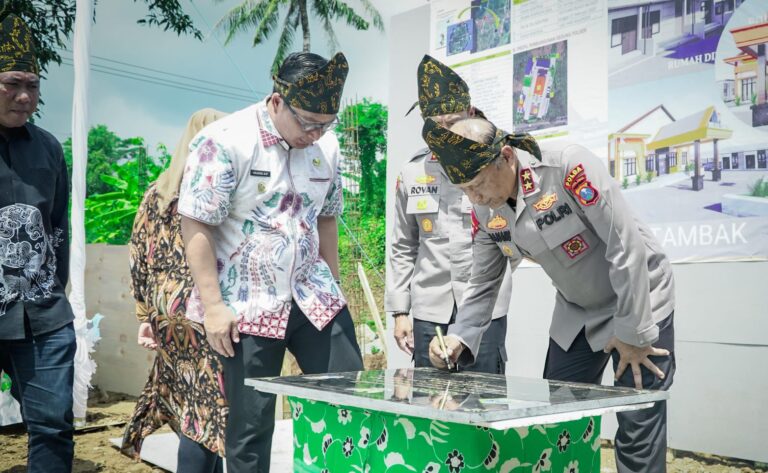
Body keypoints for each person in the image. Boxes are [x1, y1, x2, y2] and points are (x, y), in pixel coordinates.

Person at [422, 117, 676, 473]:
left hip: (639, 298)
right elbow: (482, 281)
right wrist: (457, 338)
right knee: (558, 418)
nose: (475, 197)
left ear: (507, 157)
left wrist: (633, 333)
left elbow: (626, 246)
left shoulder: (567, 167)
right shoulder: (485, 209)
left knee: (637, 423)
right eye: (464, 189)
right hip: (578, 311)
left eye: (477, 184)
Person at [178, 52, 364, 473]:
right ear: (277, 101)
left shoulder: (326, 146)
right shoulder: (224, 142)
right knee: (251, 427)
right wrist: (213, 307)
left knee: (351, 399)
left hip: (312, 296)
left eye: (326, 123)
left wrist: (333, 283)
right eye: (308, 122)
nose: (316, 133)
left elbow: (327, 218)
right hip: (246, 304)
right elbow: (197, 227)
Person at [387, 55, 512, 373]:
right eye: (435, 124)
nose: (444, 132)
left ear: (470, 113)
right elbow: (403, 245)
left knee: (486, 403)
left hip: (485, 307)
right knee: (431, 407)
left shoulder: (496, 163)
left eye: (452, 122)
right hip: (432, 308)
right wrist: (401, 311)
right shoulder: (413, 171)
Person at [121, 109, 229, 473]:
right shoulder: (216, 188)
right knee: (205, 413)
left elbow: (138, 253)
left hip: (167, 312)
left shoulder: (157, 190)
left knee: (194, 409)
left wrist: (145, 315)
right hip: (204, 309)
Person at [0, 13, 77, 473]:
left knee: (51, 424)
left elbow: (57, 226)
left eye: (33, 84)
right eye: (12, 83)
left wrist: (53, 290)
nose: (26, 96)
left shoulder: (48, 147)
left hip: (41, 315)